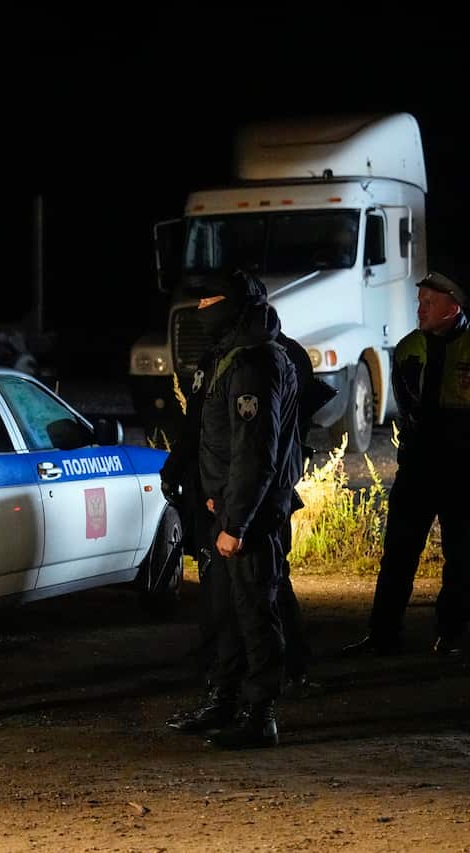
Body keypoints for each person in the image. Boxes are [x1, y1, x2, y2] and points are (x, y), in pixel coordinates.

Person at [161, 271, 332, 713]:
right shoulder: (223, 356)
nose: (199, 310)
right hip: (226, 502)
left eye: (209, 301)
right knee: (228, 608)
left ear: (235, 305)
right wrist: (186, 472)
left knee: (259, 608)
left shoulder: (261, 359)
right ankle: (225, 696)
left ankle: (262, 710)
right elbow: (205, 427)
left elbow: (255, 452)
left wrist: (236, 520)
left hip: (250, 510)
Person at [343, 272, 470, 657]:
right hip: (418, 470)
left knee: (458, 555)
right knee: (398, 553)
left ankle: (451, 636)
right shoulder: (409, 347)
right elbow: (407, 409)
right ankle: (383, 634)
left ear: (452, 307)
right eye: (419, 301)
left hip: (463, 473)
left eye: (428, 302)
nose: (419, 308)